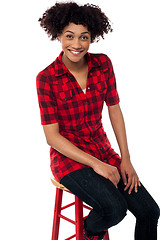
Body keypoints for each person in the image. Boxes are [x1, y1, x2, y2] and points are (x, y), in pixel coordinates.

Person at [36, 2, 159, 240]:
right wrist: (96, 165)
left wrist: (126, 159)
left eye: (84, 37)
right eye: (69, 36)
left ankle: (92, 226)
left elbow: (114, 110)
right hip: (69, 158)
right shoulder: (46, 78)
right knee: (115, 209)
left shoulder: (103, 64)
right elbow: (52, 137)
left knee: (149, 212)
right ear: (58, 35)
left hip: (102, 150)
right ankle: (90, 230)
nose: (77, 44)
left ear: (92, 37)